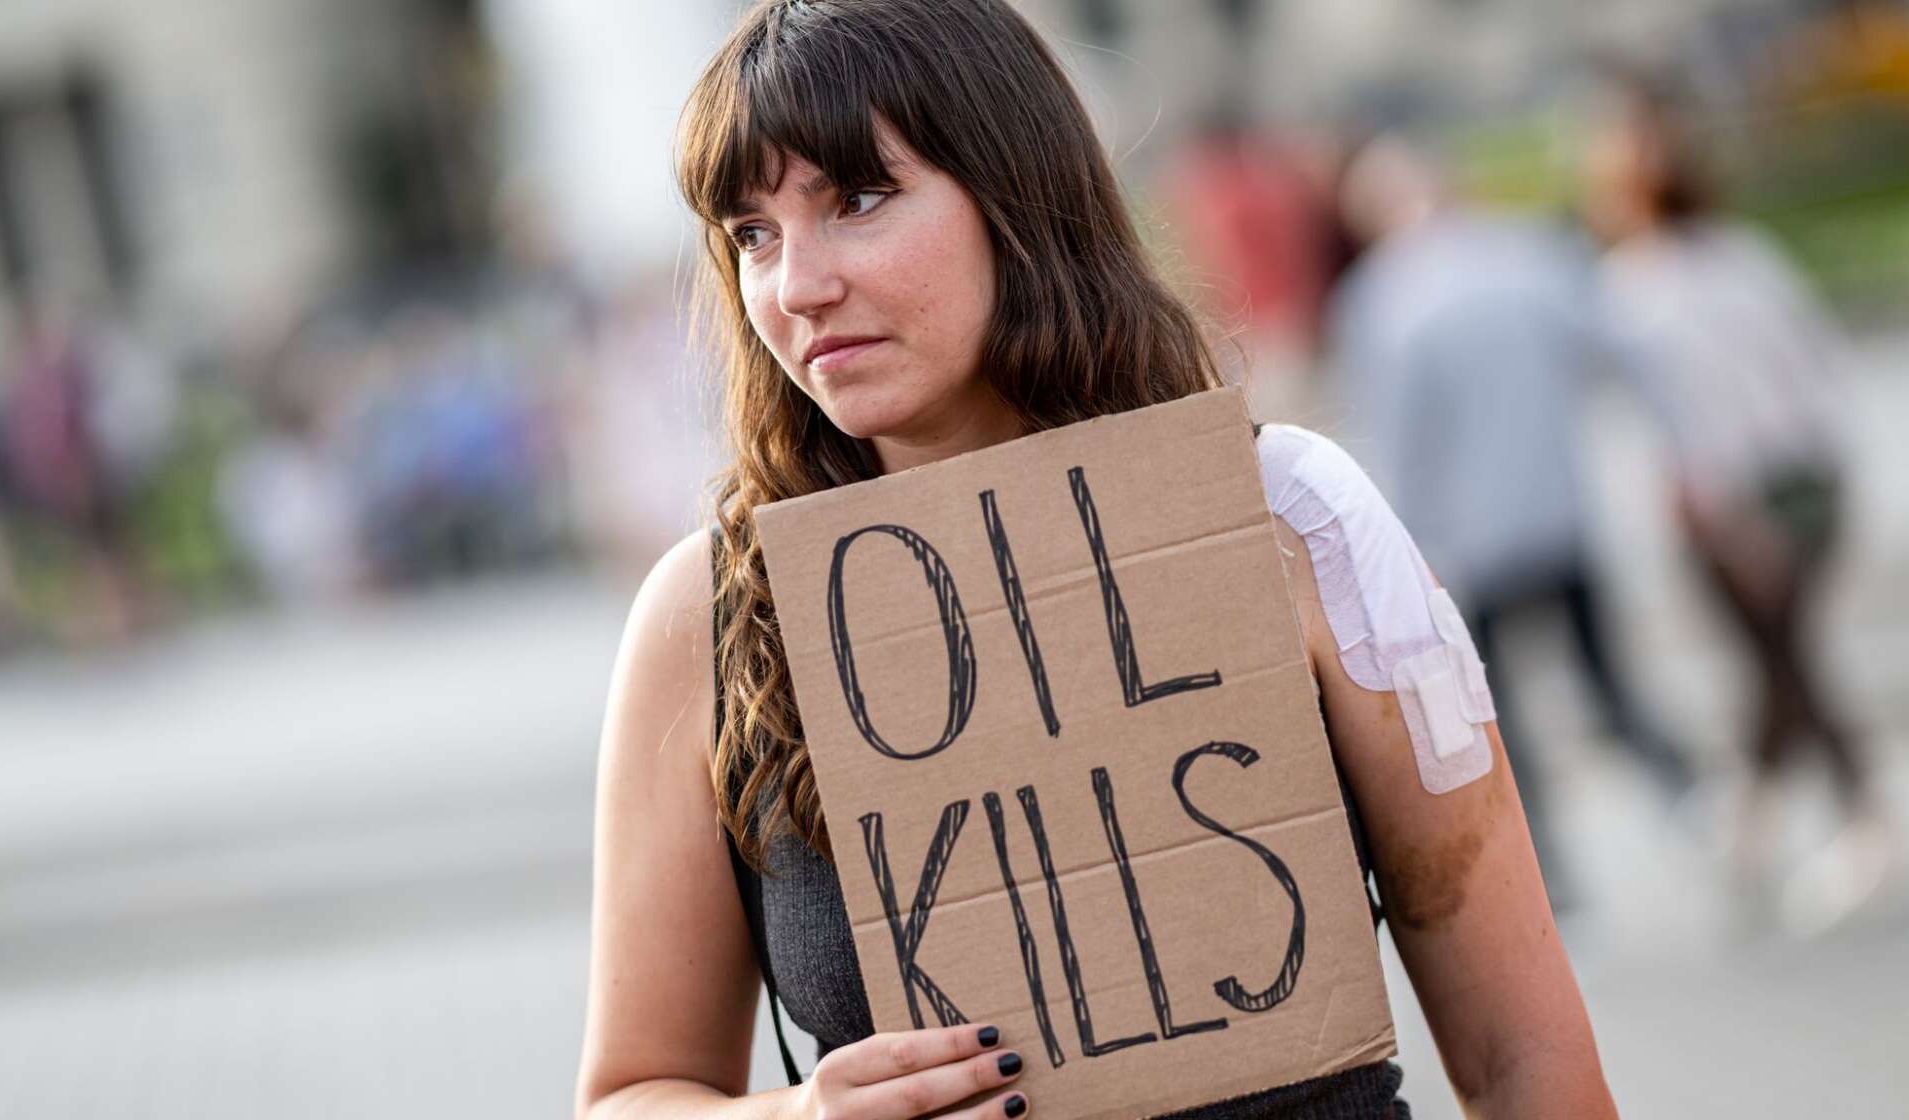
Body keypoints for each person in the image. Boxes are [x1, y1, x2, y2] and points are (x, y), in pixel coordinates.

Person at [578, 3, 1616, 1118]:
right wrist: (803, 1116)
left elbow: (1527, 1058)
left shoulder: (1289, 517)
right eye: (753, 235)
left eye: (859, 199)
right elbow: (633, 1092)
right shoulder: (713, 615)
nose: (797, 286)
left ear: (1014, 195)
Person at [1331, 134, 1696, 905]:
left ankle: (1545, 873)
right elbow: (1619, 351)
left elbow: (1395, 447)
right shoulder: (1526, 257)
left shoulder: (1380, 302)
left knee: (1498, 717)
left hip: (1467, 546)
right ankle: (1692, 801)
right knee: (1608, 683)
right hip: (1558, 515)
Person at [1582, 77, 1892, 930]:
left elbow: (1692, 421)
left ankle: (1853, 817)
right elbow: (1818, 364)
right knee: (1776, 654)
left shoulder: (1634, 289)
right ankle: (1757, 820)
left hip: (1734, 501)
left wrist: (1732, 522)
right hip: (1810, 478)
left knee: (1781, 657)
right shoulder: (1744, 254)